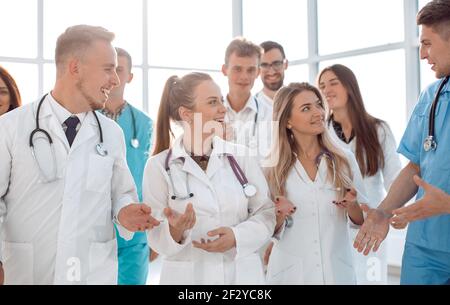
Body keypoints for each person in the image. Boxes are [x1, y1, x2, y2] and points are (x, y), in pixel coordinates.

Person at [0, 25, 159, 285]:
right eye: (108, 69)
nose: (116, 80)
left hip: (91, 274)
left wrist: (126, 212)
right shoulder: (11, 127)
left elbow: (122, 194)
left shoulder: (111, 133)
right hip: (28, 273)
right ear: (75, 68)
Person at [142, 72, 275, 285]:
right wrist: (176, 229)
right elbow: (156, 238)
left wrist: (236, 237)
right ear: (186, 114)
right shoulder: (159, 167)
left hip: (240, 277)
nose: (223, 108)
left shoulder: (241, 157)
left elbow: (266, 213)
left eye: (221, 100)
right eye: (213, 102)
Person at [353, 0, 450, 285]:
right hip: (425, 247)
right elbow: (415, 167)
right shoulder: (431, 97)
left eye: (428, 43)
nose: (422, 54)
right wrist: (383, 212)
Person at [264, 82, 368, 284]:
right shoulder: (271, 168)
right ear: (287, 121)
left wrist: (353, 205)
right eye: (306, 108)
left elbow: (362, 220)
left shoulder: (343, 160)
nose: (318, 112)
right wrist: (278, 215)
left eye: (318, 104)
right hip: (290, 274)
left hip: (336, 272)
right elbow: (266, 230)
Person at [318, 64, 402, 284]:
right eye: (322, 86)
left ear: (349, 86)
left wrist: (391, 212)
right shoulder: (319, 134)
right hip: (332, 224)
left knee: (371, 279)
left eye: (333, 83)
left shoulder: (378, 129)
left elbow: (395, 177)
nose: (327, 90)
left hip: (371, 222)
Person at [100, 47, 153, 285]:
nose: (115, 76)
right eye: (109, 69)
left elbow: (155, 178)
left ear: (130, 75)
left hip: (135, 235)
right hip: (96, 228)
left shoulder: (145, 124)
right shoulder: (85, 121)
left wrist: (156, 237)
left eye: (120, 69)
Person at [222, 37, 273, 162]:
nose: (244, 77)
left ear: (258, 73)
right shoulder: (208, 115)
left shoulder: (271, 115)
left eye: (251, 70)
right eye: (237, 69)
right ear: (225, 70)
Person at [256, 41, 288, 107]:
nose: (272, 72)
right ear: (257, 69)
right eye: (264, 65)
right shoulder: (254, 106)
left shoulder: (298, 100)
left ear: (285, 64)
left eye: (276, 64)